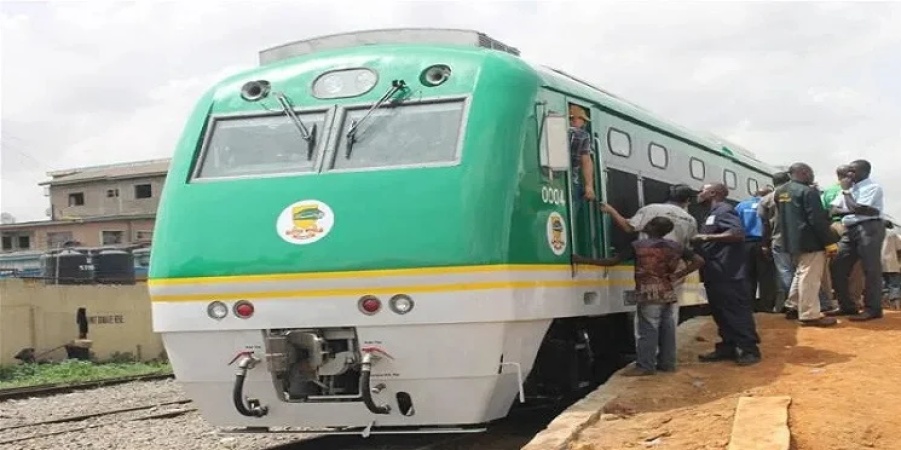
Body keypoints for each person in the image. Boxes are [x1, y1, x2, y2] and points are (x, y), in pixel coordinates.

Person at [622, 217, 704, 377]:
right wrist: (678, 274)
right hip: (668, 291)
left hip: (648, 292)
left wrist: (584, 260)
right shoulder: (675, 246)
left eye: (650, 223)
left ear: (653, 227)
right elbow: (699, 261)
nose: (646, 224)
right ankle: (667, 364)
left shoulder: (638, 246)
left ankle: (645, 366)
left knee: (648, 329)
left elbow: (613, 260)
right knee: (668, 329)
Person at [693, 182, 762, 366]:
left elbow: (737, 234)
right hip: (715, 272)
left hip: (729, 273)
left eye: (702, 191)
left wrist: (705, 237)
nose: (698, 194)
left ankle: (749, 349)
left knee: (735, 311)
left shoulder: (724, 210)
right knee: (720, 311)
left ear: (713, 193)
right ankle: (727, 347)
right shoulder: (711, 213)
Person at [774, 163, 839, 327]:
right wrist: (829, 242)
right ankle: (809, 315)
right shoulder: (808, 191)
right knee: (810, 277)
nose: (812, 176)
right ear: (804, 172)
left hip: (790, 240)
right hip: (810, 241)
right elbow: (817, 220)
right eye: (811, 173)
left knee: (800, 273)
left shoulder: (780, 192)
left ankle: (793, 306)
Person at [830, 159, 886, 321]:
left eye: (853, 171)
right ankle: (847, 306)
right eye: (848, 170)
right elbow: (833, 210)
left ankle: (873, 309)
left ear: (865, 172)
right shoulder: (850, 188)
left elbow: (857, 208)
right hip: (850, 229)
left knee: (870, 268)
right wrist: (857, 209)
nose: (849, 174)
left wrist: (848, 196)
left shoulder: (872, 188)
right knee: (837, 265)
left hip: (869, 228)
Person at [599, 184, 698, 248]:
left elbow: (628, 227)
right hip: (676, 264)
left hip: (650, 263)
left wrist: (611, 210)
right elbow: (692, 242)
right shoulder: (691, 220)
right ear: (688, 200)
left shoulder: (650, 209)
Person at [823, 164, 864, 311]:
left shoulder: (828, 191)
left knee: (831, 265)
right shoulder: (856, 189)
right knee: (856, 265)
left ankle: (833, 301)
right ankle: (854, 299)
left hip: (832, 226)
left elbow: (824, 212)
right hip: (851, 226)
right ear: (849, 175)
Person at [736, 188, 777, 313]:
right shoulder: (769, 205)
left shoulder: (741, 206)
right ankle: (766, 306)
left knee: (748, 276)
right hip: (764, 243)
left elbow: (735, 225)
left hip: (745, 244)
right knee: (766, 277)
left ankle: (749, 306)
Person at [881, 221, 901, 310]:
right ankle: (896, 305)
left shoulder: (876, 234)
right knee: (894, 285)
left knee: (883, 284)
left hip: (879, 264)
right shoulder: (893, 234)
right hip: (892, 263)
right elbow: (899, 248)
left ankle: (885, 304)